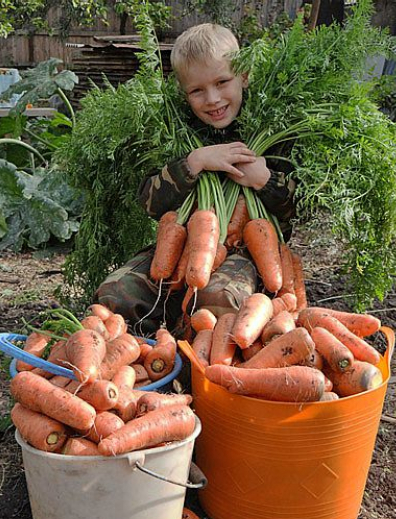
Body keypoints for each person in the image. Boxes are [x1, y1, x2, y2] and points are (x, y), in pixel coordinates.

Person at [94, 23, 296, 334]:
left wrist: (264, 179)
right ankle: (148, 344)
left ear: (244, 75)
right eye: (197, 90)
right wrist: (194, 162)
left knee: (218, 298)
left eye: (222, 82)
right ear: (183, 91)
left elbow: (298, 208)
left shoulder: (271, 128)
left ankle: (198, 349)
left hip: (250, 253)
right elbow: (150, 203)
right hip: (182, 244)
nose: (212, 99)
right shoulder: (176, 130)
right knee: (116, 292)